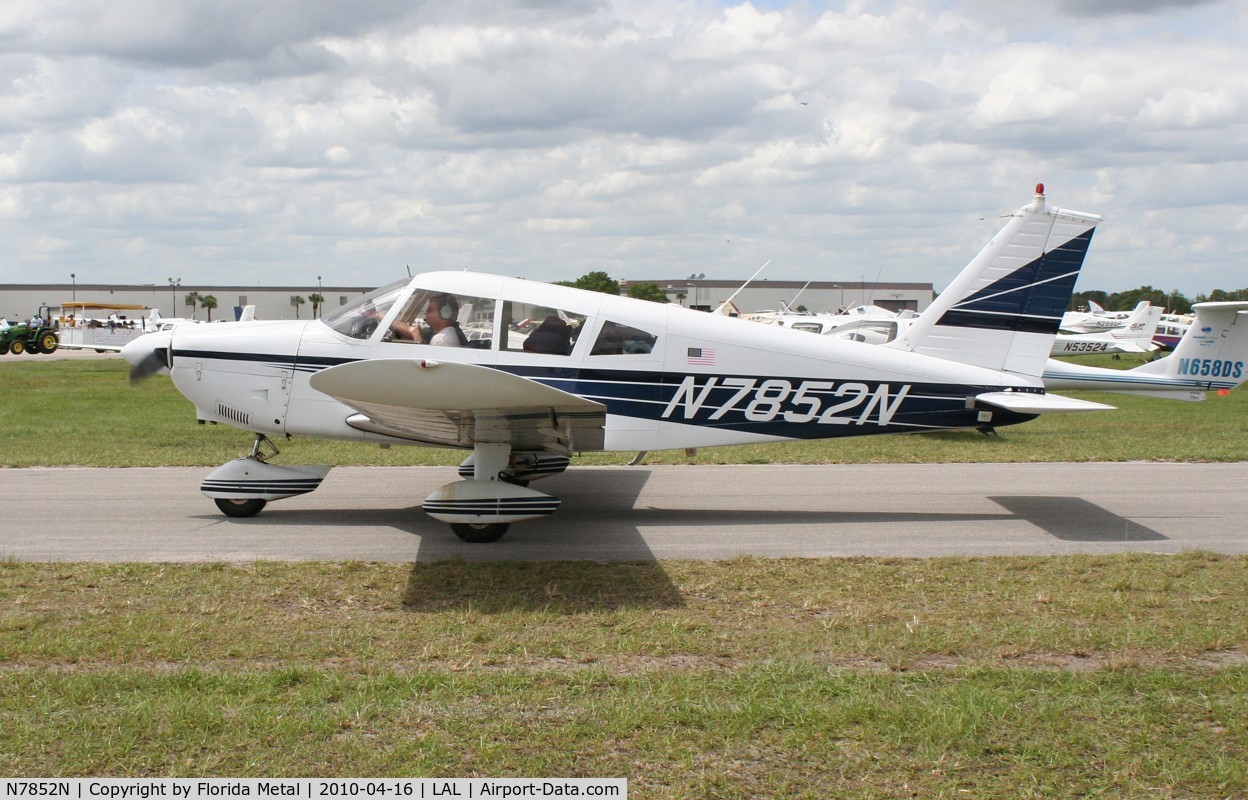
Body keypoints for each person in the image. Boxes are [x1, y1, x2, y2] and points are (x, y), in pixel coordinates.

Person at [390, 293, 463, 346]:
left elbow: (428, 365)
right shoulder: (448, 334)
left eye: (429, 310)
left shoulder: (439, 340)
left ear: (445, 313)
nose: (426, 312)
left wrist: (418, 339)